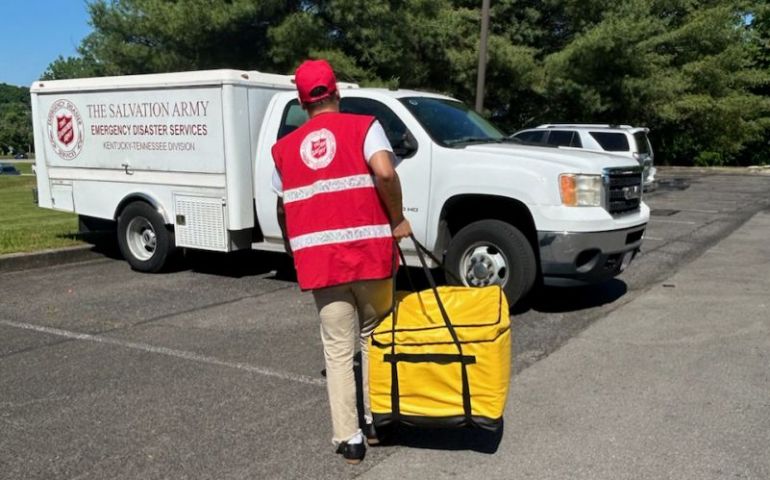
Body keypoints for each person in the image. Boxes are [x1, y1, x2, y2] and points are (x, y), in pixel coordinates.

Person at [271, 59, 412, 464]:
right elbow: (385, 173)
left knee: (336, 350)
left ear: (302, 102)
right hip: (370, 257)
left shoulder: (282, 150)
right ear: (336, 92)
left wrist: (292, 246)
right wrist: (398, 219)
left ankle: (349, 439)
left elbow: (284, 208)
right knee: (374, 338)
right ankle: (375, 420)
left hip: (321, 264)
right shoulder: (365, 127)